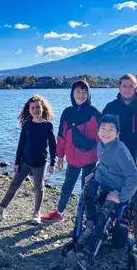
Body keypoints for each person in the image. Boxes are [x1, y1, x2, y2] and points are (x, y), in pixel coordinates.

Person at [71, 114, 137, 270]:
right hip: (103, 182)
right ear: (97, 131)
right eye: (103, 129)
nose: (106, 132)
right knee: (88, 188)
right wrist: (94, 172)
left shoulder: (120, 150)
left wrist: (121, 196)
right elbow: (102, 164)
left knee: (104, 214)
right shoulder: (101, 145)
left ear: (117, 134)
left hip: (117, 188)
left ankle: (88, 254)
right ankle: (89, 226)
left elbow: (135, 177)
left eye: (111, 129)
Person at [0, 94, 56, 225]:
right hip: (25, 162)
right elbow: (21, 145)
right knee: (14, 185)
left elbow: (52, 145)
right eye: (32, 108)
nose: (35, 110)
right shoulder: (27, 125)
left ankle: (36, 214)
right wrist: (17, 162)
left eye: (37, 107)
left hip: (40, 163)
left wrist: (53, 163)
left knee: (39, 188)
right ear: (29, 110)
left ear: (43, 108)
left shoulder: (47, 126)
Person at [41, 80, 101, 223]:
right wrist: (60, 157)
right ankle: (59, 213)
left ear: (88, 94)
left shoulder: (95, 113)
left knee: (87, 190)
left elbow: (103, 136)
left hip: (91, 159)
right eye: (78, 92)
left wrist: (104, 157)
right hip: (73, 159)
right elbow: (61, 137)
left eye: (84, 92)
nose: (81, 95)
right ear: (72, 94)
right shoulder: (67, 112)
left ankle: (84, 217)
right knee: (67, 186)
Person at [102, 73, 137, 181]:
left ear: (136, 88)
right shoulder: (111, 107)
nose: (127, 89)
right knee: (117, 188)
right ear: (119, 88)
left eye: (131, 86)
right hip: (116, 156)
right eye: (124, 86)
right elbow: (100, 130)